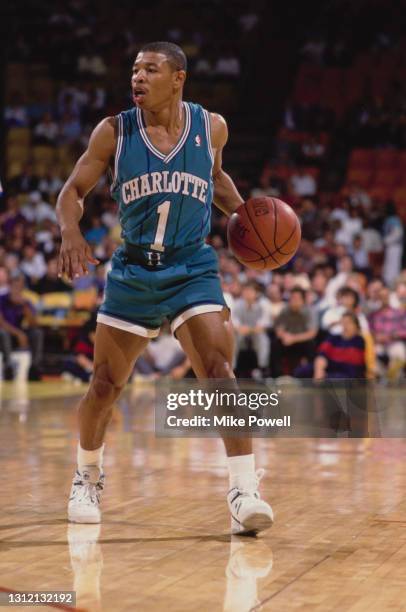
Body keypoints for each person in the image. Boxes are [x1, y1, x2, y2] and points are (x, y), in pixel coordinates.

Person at [56, 41, 273, 534]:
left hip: (192, 265)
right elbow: (73, 190)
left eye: (150, 69)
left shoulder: (211, 127)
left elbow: (215, 179)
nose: (137, 77)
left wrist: (248, 222)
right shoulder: (114, 131)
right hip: (134, 268)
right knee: (106, 385)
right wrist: (70, 230)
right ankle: (87, 476)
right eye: (134, 69)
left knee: (219, 371)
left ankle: (244, 489)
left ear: (178, 78)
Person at [0, 276, 43, 381]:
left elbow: (34, 324)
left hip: (18, 333)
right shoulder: (1, 299)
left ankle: (34, 367)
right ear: (9, 287)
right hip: (7, 333)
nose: (17, 290)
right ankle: (8, 367)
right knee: (3, 333)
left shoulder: (25, 302)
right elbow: (1, 323)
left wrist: (26, 309)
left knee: (37, 333)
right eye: (15, 287)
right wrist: (18, 334)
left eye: (20, 288)